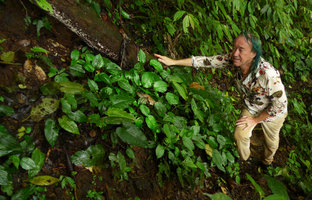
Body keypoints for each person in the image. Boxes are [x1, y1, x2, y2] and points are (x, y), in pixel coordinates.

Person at [154, 32, 288, 167]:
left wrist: (255, 121)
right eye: (234, 48)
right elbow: (205, 61)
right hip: (252, 106)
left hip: (273, 113)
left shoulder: (268, 75)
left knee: (271, 142)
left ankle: (267, 162)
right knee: (240, 134)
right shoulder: (233, 59)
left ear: (253, 53)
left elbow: (280, 105)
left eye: (241, 50)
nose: (235, 53)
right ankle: (245, 159)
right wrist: (174, 62)